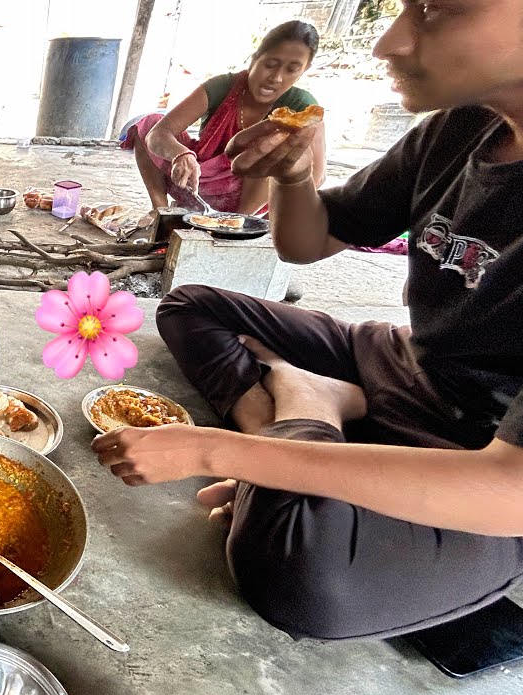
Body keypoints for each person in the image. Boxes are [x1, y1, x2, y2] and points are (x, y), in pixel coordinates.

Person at [94, 0, 523, 642]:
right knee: (190, 305)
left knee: (303, 575)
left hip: (478, 450)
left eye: (435, 10)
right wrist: (293, 176)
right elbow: (308, 242)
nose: (390, 43)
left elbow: (509, 490)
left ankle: (307, 406)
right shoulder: (462, 129)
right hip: (402, 361)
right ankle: (299, 439)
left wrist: (218, 449)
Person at [121, 21, 327, 216]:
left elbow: (317, 175)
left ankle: (237, 222)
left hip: (250, 200)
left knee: (275, 147)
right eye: (270, 64)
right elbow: (158, 134)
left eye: (292, 69)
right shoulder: (222, 86)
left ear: (305, 69)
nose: (276, 78)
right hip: (194, 181)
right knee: (148, 123)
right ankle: (161, 212)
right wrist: (181, 154)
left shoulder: (303, 107)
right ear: (255, 58)